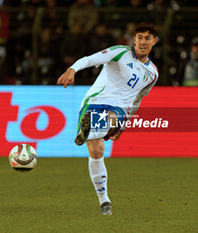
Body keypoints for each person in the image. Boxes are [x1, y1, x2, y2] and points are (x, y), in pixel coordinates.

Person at [57, 22, 159, 215]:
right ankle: (104, 201)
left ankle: (90, 128)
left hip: (119, 108)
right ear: (134, 39)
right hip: (94, 101)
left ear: (154, 41)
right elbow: (90, 59)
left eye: (147, 38)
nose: (142, 42)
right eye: (139, 37)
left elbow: (137, 99)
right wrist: (72, 69)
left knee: (111, 118)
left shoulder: (152, 74)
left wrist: (125, 125)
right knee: (96, 150)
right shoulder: (119, 52)